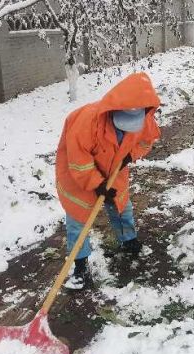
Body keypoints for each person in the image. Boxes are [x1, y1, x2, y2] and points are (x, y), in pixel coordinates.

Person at [54, 72, 161, 290]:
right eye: (122, 123)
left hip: (115, 167)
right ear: (114, 110)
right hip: (78, 172)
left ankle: (128, 240)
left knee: (122, 205)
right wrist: (96, 183)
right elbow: (78, 160)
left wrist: (131, 156)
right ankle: (80, 266)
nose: (125, 128)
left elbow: (147, 140)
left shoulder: (145, 120)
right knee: (78, 217)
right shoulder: (86, 121)